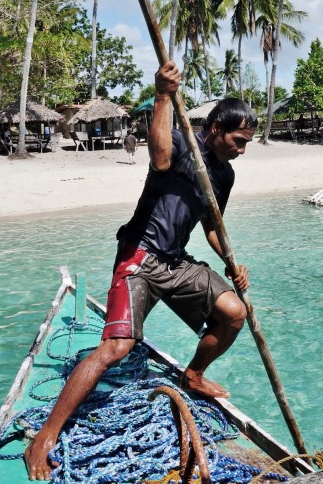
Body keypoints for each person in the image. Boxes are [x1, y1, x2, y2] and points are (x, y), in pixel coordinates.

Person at [23, 60, 255, 480]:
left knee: (235, 313)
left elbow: (213, 226)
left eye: (247, 144)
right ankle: (46, 435)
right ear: (218, 128)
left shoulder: (225, 173)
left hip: (177, 261)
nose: (242, 149)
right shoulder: (183, 142)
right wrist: (163, 94)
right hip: (140, 257)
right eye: (239, 140)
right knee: (116, 350)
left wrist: (231, 263)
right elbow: (160, 158)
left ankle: (194, 375)